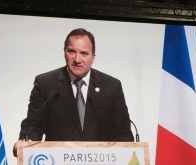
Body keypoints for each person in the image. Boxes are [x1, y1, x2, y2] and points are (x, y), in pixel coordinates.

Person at [13, 28, 133, 156]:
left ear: (93, 57)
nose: (77, 59)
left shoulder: (111, 86)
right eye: (72, 52)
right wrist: (26, 143)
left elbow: (124, 133)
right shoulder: (46, 84)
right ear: (64, 52)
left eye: (84, 53)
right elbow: (33, 126)